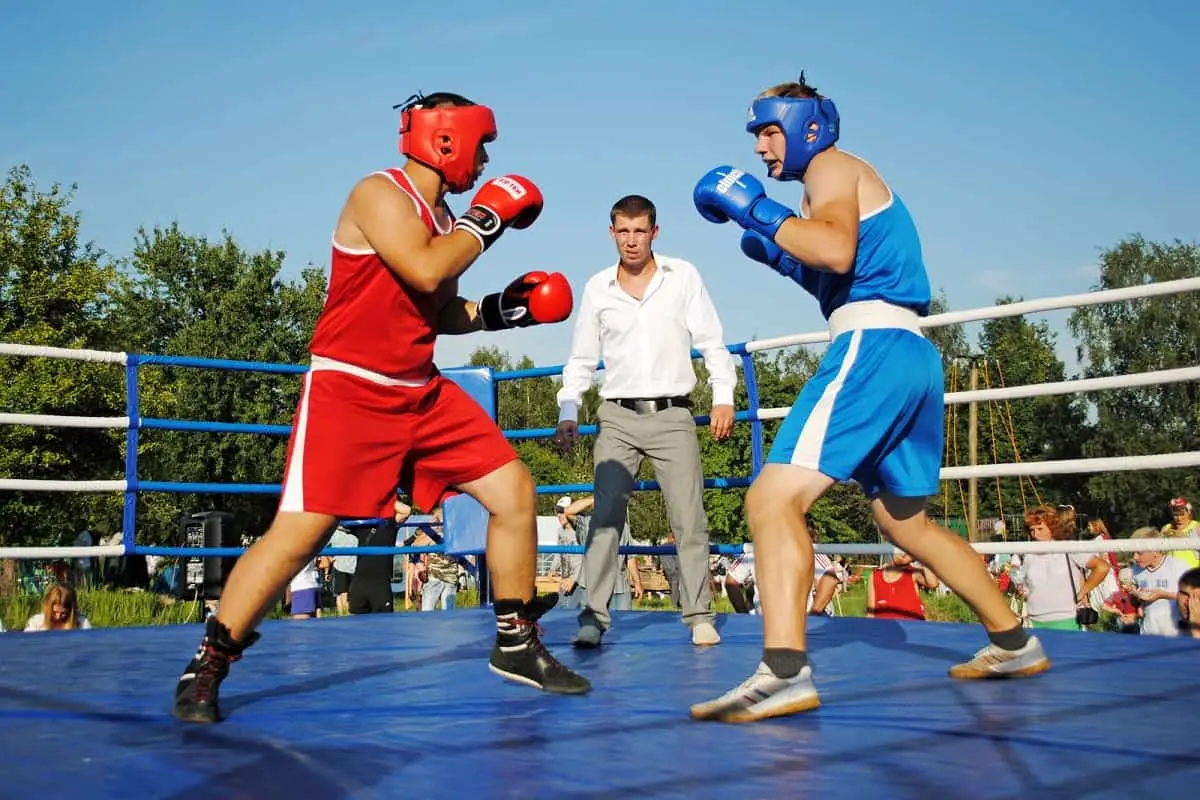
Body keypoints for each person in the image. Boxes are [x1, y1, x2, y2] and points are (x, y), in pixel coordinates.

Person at [171, 91, 591, 725]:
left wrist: (504, 309)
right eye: (480, 146)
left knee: (514, 492)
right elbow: (423, 271)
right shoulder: (379, 195)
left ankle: (515, 642)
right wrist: (489, 218)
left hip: (419, 389)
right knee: (299, 538)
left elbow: (439, 309)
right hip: (351, 391)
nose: (483, 162)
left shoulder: (450, 219)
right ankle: (211, 659)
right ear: (446, 139)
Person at [687, 73, 1050, 723]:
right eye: (756, 136)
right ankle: (1014, 641)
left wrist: (756, 212)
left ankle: (783, 674)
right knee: (904, 522)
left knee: (772, 498)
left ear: (808, 126)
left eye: (770, 132)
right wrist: (777, 250)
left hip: (873, 349)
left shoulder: (831, 167)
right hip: (910, 354)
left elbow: (834, 248)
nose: (761, 149)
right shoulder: (830, 187)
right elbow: (842, 270)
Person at [553, 194, 737, 647]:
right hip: (616, 417)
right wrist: (568, 409)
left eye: (640, 231)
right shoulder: (597, 287)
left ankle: (698, 616)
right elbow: (581, 356)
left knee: (688, 518)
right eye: (623, 231)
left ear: (654, 233)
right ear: (611, 233)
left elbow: (713, 340)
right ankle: (592, 617)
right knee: (605, 518)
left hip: (673, 413)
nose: (631, 241)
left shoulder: (683, 276)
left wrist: (723, 395)